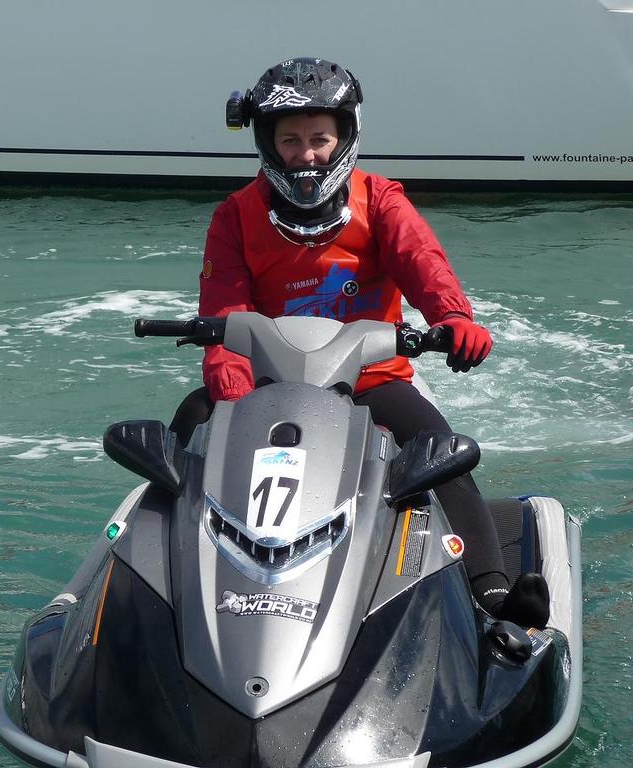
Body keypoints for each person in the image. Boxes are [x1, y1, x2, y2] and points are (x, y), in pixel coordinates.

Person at [170, 57, 548, 629]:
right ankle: (154, 575)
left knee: (439, 450)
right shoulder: (235, 216)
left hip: (371, 378)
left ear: (344, 136)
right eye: (291, 140)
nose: (308, 154)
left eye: (321, 138)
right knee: (188, 433)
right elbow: (225, 301)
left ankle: (491, 595)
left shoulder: (381, 200)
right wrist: (228, 370)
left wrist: (453, 317)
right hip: (266, 382)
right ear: (268, 144)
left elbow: (422, 261)